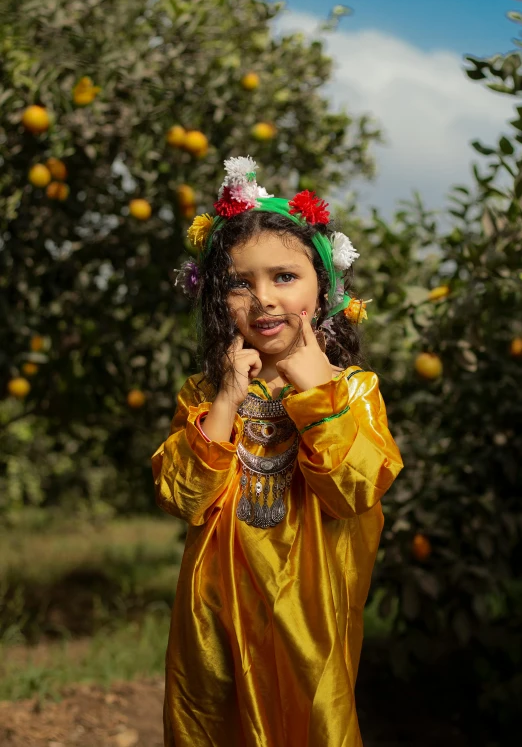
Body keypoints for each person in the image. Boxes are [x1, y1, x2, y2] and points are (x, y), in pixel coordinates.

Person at [151, 156, 404, 747]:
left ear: (324, 289)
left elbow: (354, 490)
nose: (263, 299)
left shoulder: (353, 391)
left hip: (307, 615)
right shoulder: (206, 394)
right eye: (241, 283)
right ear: (220, 299)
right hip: (213, 614)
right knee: (211, 725)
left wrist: (314, 389)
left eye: (284, 277)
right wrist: (227, 400)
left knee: (309, 722)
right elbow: (180, 496)